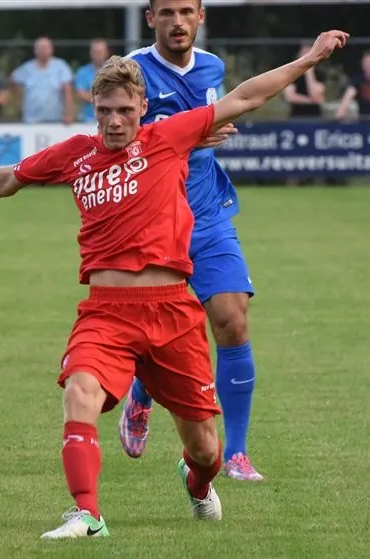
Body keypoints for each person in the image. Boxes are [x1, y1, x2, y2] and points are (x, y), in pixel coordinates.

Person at [0, 31, 348, 538]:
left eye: (125, 109)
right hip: (105, 312)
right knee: (79, 391)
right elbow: (10, 177)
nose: (115, 121)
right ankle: (88, 514)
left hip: (171, 312)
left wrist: (311, 58)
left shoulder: (168, 139)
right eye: (104, 110)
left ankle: (196, 481)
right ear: (94, 109)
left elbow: (247, 96)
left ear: (144, 106)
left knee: (206, 448)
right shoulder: (76, 155)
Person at [120, 0, 262, 481]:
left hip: (206, 214)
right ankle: (143, 392)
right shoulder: (131, 72)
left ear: (201, 17)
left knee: (231, 318)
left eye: (186, 11)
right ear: (150, 19)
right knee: (155, 332)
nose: (177, 22)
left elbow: (220, 111)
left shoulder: (212, 67)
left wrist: (213, 128)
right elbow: (116, 139)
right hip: (152, 221)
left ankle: (237, 453)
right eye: (166, 13)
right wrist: (186, 135)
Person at [11, 36, 74, 124]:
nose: (43, 50)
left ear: (52, 49)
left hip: (55, 119)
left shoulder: (61, 67)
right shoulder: (27, 68)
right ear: (35, 50)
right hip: (30, 119)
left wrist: (68, 114)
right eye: (40, 48)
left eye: (45, 48)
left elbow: (67, 90)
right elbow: (13, 80)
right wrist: (19, 103)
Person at [335, 49, 370, 121]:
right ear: (363, 64)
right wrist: (340, 113)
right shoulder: (357, 81)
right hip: (363, 120)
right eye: (367, 63)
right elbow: (348, 97)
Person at [283, 43, 326, 119]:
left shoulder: (319, 74)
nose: (307, 57)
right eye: (304, 54)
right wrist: (310, 101)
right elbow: (291, 97)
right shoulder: (292, 74)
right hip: (297, 115)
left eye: (309, 54)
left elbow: (315, 95)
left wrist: (309, 72)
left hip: (316, 116)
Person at [74, 39, 111, 123]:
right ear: (90, 53)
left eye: (101, 51)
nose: (98, 54)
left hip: (110, 118)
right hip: (87, 119)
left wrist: (93, 98)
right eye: (95, 51)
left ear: (106, 52)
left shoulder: (115, 69)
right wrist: (106, 99)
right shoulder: (82, 72)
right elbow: (81, 94)